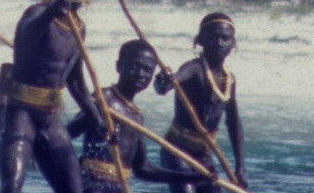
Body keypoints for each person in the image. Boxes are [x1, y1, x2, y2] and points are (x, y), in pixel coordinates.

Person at [0, 0, 104, 193]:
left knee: (73, 189)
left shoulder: (79, 28)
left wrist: (97, 119)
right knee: (11, 186)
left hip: (51, 118)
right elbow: (26, 34)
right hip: (21, 114)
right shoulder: (36, 13)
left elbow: (76, 83)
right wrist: (51, 12)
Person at [65, 40, 212, 193]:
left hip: (118, 188)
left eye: (147, 70)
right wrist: (97, 122)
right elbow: (69, 132)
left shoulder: (136, 116)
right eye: (135, 66)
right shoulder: (104, 99)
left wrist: (189, 177)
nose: (141, 74)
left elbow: (142, 168)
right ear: (118, 66)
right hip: (92, 186)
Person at [154, 12, 246, 192]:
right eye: (213, 38)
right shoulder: (193, 69)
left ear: (232, 44)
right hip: (177, 152)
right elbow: (172, 82)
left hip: (203, 154)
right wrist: (164, 83)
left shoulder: (230, 80)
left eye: (225, 38)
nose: (219, 43)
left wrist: (240, 167)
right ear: (201, 41)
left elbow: (234, 124)